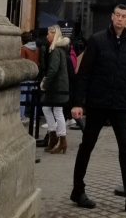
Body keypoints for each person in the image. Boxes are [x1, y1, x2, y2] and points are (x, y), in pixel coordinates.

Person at [70, 5, 126, 212]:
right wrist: (77, 103)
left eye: (124, 16)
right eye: (117, 15)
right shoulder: (97, 40)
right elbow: (84, 73)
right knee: (87, 146)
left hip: (121, 106)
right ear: (112, 16)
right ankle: (78, 190)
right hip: (97, 103)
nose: (120, 19)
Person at [40, 24, 71, 154]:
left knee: (55, 110)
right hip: (59, 85)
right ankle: (55, 137)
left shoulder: (55, 50)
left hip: (56, 86)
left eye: (49, 33)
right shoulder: (60, 49)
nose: (47, 35)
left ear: (54, 34)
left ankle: (60, 138)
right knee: (49, 109)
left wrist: (45, 84)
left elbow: (53, 70)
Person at [20, 31, 40, 121]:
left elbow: (22, 62)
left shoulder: (23, 49)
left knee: (23, 96)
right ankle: (34, 116)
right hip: (34, 74)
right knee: (33, 97)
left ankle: (21, 116)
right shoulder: (36, 49)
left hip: (25, 75)